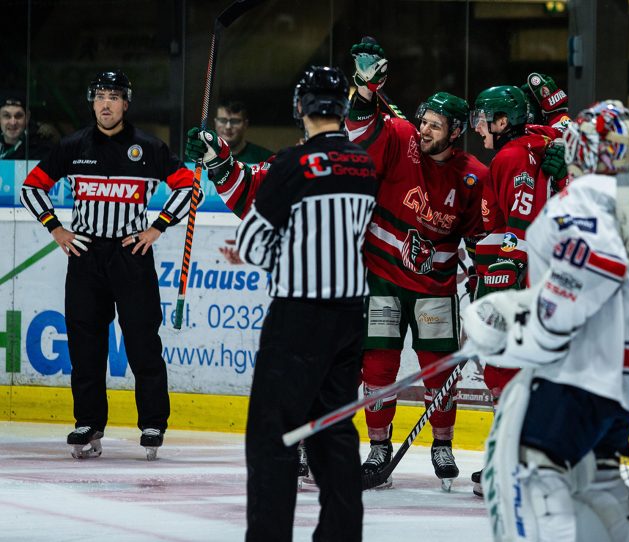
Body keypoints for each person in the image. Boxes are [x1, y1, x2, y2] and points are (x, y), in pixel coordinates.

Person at [463, 100, 629, 541]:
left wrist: (517, 328)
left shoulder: (579, 199)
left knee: (533, 462)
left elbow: (601, 263)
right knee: (600, 475)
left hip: (593, 370)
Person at [189, 65, 376, 542]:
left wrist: (271, 251)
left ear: (301, 107)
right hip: (350, 314)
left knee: (274, 435)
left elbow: (253, 244)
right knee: (333, 430)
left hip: (300, 314)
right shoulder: (363, 165)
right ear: (341, 107)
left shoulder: (291, 165)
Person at [19, 70, 197, 461]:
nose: (106, 103)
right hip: (85, 257)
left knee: (142, 341)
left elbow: (189, 188)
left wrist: (156, 228)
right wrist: (57, 229)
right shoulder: (73, 145)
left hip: (131, 256)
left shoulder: (148, 147)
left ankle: (153, 423)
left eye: (114, 97)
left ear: (126, 104)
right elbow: (31, 187)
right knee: (85, 344)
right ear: (92, 102)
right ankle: (89, 422)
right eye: (100, 95)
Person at [345, 37, 489, 490]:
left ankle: (442, 444)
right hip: (384, 279)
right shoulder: (401, 138)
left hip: (435, 290)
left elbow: (480, 238)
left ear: (455, 131)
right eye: (423, 122)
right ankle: (379, 447)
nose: (424, 130)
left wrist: (485, 277)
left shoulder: (472, 177)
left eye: (434, 126)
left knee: (439, 371)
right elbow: (357, 131)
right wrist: (366, 91)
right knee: (378, 369)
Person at [466, 79, 568, 496]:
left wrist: (495, 287)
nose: (479, 128)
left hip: (522, 278)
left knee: (503, 368)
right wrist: (553, 100)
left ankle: (512, 461)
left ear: (504, 121)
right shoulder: (542, 140)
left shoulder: (509, 157)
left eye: (484, 120)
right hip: (552, 277)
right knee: (535, 371)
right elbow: (565, 125)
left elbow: (518, 233)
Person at [214, 99, 273, 165]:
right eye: (223, 120)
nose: (228, 127)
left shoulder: (267, 159)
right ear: (216, 123)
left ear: (245, 124)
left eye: (235, 121)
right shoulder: (202, 156)